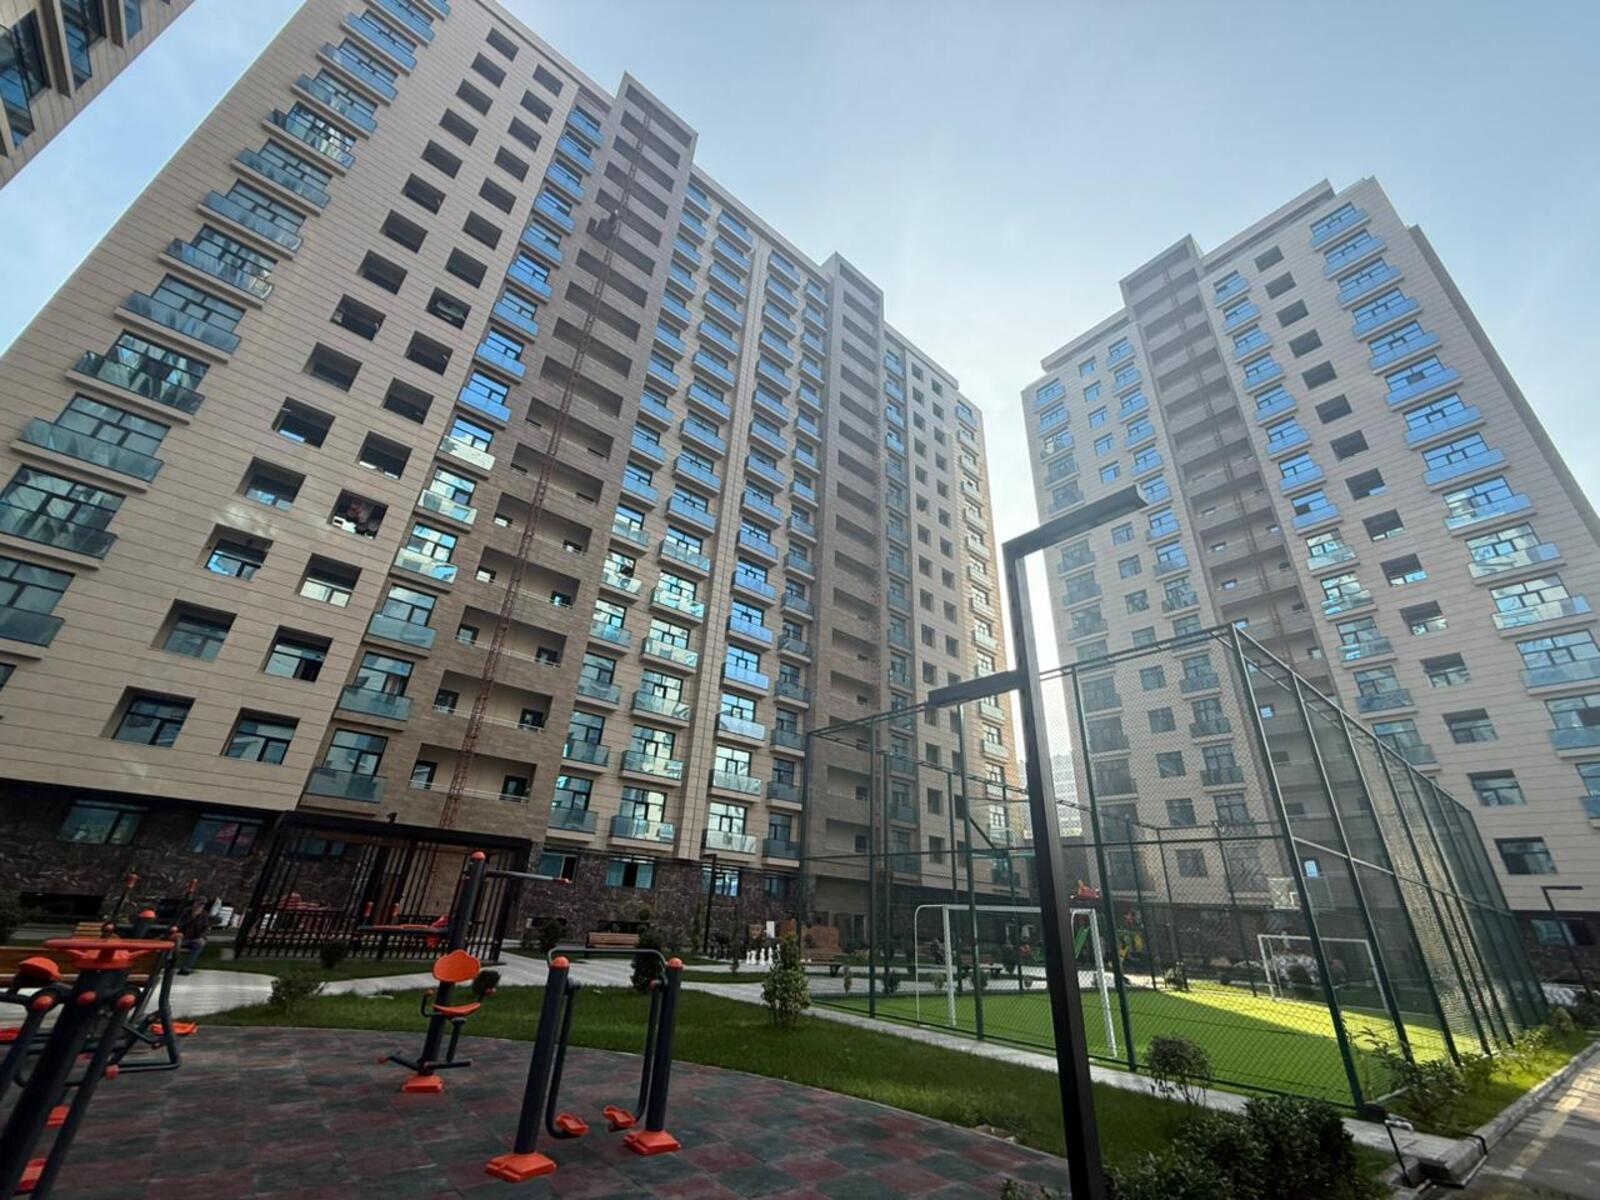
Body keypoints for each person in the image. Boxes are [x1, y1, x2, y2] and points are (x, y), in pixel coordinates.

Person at [176, 898, 213, 975]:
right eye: (198, 903)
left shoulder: (204, 915)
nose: (199, 906)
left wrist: (201, 937)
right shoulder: (186, 912)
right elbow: (178, 924)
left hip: (193, 939)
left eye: (202, 905)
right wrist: (192, 916)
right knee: (175, 943)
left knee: (199, 944)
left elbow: (206, 928)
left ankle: (186, 967)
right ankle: (168, 964)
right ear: (194, 903)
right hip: (181, 937)